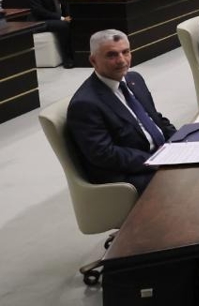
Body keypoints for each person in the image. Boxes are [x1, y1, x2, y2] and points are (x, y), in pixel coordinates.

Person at [66, 30, 177, 194]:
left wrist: (181, 141)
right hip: (130, 174)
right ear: (93, 60)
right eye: (112, 55)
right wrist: (157, 160)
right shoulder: (85, 103)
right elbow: (105, 154)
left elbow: (155, 118)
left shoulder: (134, 79)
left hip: (160, 155)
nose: (122, 60)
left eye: (125, 52)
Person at [25, 0, 73, 68]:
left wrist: (68, 15)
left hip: (57, 16)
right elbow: (37, 10)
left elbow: (63, 2)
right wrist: (61, 18)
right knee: (63, 25)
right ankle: (68, 59)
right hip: (39, 20)